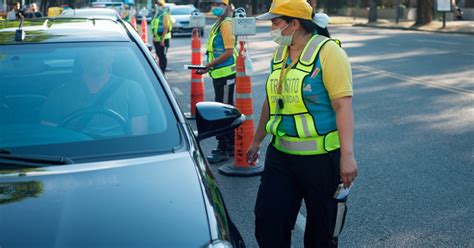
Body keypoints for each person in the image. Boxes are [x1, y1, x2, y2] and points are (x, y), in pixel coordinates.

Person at [247, 0, 358, 247]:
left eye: (275, 22)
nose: (271, 28)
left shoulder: (328, 52)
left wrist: (347, 155)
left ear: (294, 24)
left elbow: (343, 106)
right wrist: (257, 140)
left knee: (321, 233)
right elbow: (271, 100)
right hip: (281, 157)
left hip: (321, 160)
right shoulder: (280, 54)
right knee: (268, 223)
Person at [40, 50, 149, 137]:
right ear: (80, 58)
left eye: (100, 52)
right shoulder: (60, 93)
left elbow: (139, 134)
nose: (95, 57)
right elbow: (50, 135)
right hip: (72, 156)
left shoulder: (132, 89)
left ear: (112, 56)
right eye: (89, 53)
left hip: (119, 153)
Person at [196, 0, 237, 163]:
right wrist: (208, 67)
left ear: (227, 6)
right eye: (213, 3)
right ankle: (231, 145)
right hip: (219, 73)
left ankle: (223, 148)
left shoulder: (226, 24)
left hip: (226, 75)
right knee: (225, 108)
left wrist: (209, 64)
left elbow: (228, 52)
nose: (215, 7)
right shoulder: (219, 23)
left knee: (223, 111)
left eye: (219, 3)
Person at [151, 0, 171, 74]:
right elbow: (154, 27)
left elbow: (165, 28)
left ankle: (163, 72)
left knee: (162, 56)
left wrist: (162, 39)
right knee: (159, 54)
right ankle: (161, 70)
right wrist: (154, 36)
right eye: (156, 5)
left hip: (163, 39)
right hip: (156, 39)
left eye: (159, 5)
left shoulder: (164, 14)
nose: (157, 6)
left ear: (162, 6)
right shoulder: (157, 14)